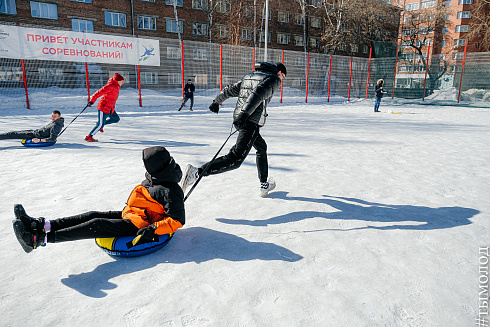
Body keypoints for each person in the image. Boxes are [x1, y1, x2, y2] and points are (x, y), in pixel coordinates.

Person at [12, 146, 185, 253]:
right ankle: (41, 225)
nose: (143, 167)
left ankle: (37, 240)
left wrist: (153, 230)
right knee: (91, 214)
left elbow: (177, 220)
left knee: (97, 224)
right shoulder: (157, 176)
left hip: (141, 225)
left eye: (146, 164)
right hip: (133, 215)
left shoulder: (171, 190)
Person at [180, 62, 287, 198]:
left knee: (261, 147)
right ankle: (197, 172)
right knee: (235, 159)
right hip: (249, 120)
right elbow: (257, 95)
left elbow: (231, 89)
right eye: (283, 76)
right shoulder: (273, 79)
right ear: (279, 73)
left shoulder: (250, 76)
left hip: (241, 119)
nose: (282, 80)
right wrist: (245, 113)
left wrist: (216, 101)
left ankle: (264, 184)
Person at [85, 73, 124, 142]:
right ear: (118, 81)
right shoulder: (110, 86)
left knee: (116, 119)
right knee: (100, 125)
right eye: (122, 81)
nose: (123, 83)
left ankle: (101, 124)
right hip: (103, 108)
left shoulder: (116, 87)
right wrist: (92, 101)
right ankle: (89, 136)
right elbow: (98, 93)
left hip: (110, 108)